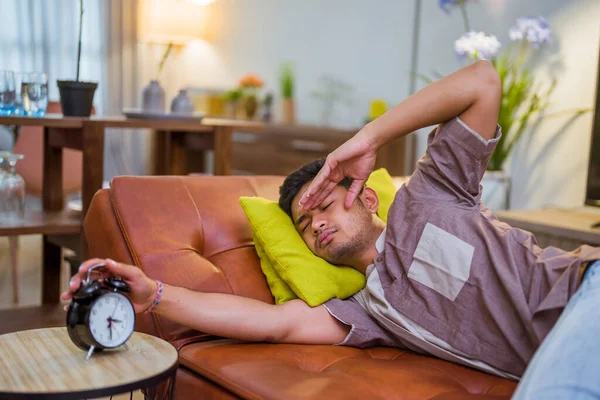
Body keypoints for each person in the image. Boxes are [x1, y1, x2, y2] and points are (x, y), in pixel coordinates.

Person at [62, 60, 600, 398]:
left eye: (325, 205)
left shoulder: (432, 195)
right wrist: (152, 292)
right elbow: (271, 323)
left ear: (366, 196)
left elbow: (482, 81)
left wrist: (367, 139)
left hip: (584, 294)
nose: (315, 223)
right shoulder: (372, 311)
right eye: (303, 223)